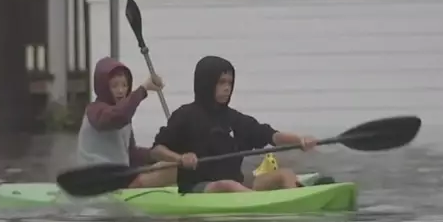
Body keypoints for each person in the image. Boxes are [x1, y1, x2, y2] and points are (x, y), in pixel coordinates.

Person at [150, 55, 318, 194]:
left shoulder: (234, 119)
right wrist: (180, 158)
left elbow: (271, 135)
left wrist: (299, 140)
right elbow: (156, 150)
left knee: (285, 174)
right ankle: (261, 204)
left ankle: (296, 204)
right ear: (206, 83)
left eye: (230, 83)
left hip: (238, 186)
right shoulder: (185, 115)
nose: (227, 88)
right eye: (221, 82)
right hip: (198, 188)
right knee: (226, 185)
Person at [78, 57, 177, 188]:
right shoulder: (95, 110)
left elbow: (131, 155)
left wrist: (154, 154)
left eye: (124, 85)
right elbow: (117, 117)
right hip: (97, 178)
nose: (120, 90)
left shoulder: (124, 115)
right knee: (170, 173)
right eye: (114, 86)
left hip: (119, 176)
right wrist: (143, 89)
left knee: (172, 166)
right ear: (103, 88)